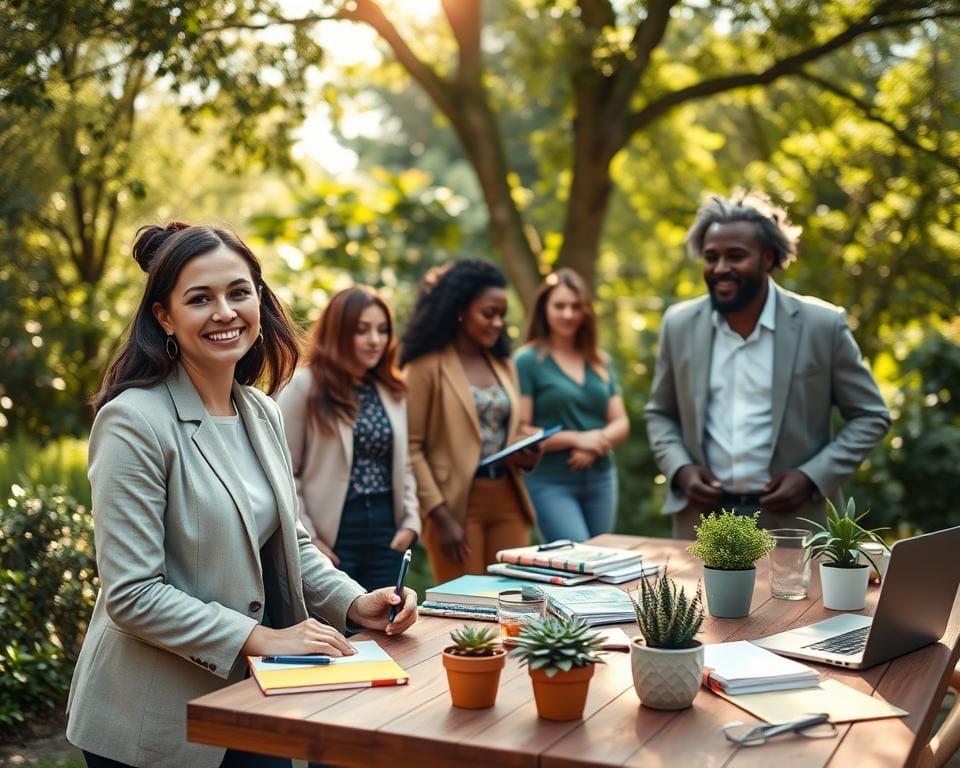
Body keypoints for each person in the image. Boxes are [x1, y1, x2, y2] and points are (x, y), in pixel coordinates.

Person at [66, 223, 417, 768]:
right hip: (157, 719)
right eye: (199, 299)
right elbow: (132, 593)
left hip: (258, 698)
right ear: (164, 316)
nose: (225, 312)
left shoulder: (262, 412)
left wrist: (355, 601)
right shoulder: (133, 422)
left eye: (238, 292)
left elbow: (291, 545)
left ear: (259, 298)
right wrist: (261, 637)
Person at [644, 191, 891, 539]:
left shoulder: (822, 325)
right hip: (702, 522)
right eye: (711, 257)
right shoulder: (679, 324)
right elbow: (660, 413)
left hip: (794, 523)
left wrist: (811, 477)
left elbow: (871, 415)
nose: (720, 268)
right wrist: (680, 469)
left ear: (768, 257)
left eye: (736, 256)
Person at [401, 259, 540, 583]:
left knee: (517, 601)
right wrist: (439, 516)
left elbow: (510, 428)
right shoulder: (426, 366)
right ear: (460, 310)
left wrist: (527, 451)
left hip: (508, 498)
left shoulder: (503, 363)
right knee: (468, 611)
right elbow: (411, 447)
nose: (497, 323)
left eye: (502, 316)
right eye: (488, 313)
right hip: (456, 506)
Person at [275, 286, 420, 591]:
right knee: (339, 631)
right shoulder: (304, 387)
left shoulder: (391, 389)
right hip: (333, 532)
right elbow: (284, 472)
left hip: (386, 530)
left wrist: (410, 522)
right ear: (338, 332)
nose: (375, 340)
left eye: (382, 330)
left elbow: (403, 463)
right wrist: (311, 541)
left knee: (387, 627)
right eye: (362, 330)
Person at [514, 268, 629, 542]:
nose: (568, 314)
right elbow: (521, 430)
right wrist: (576, 439)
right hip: (550, 481)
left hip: (601, 477)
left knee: (601, 562)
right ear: (544, 309)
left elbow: (621, 422)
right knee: (576, 559)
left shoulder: (600, 361)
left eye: (576, 306)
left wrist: (595, 444)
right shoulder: (527, 361)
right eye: (560, 306)